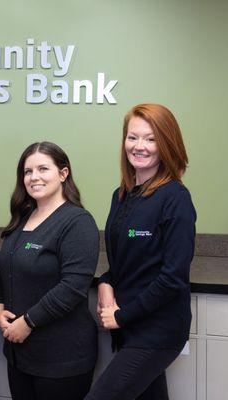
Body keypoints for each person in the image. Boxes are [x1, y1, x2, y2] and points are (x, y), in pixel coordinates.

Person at [86, 104, 197, 400]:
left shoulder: (175, 199)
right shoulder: (121, 194)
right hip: (130, 327)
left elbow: (172, 277)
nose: (139, 147)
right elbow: (126, 262)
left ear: (167, 144)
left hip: (157, 331)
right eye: (133, 137)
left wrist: (122, 316)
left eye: (150, 139)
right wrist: (107, 282)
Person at [0, 141, 99, 400]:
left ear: (63, 174)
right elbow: (6, 270)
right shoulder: (23, 217)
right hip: (20, 354)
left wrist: (28, 322)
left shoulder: (77, 222)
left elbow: (72, 287)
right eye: (28, 171)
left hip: (61, 358)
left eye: (43, 169)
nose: (34, 177)